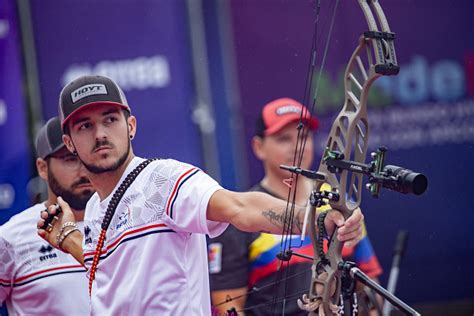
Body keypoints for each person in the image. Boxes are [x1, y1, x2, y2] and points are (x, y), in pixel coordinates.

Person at [36, 75, 364, 315]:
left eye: (110, 120)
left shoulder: (162, 178)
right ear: (68, 143)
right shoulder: (95, 208)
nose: (101, 134)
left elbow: (240, 207)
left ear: (131, 126)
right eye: (84, 127)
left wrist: (317, 219)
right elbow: (113, 278)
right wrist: (69, 238)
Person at [208, 98, 383, 315]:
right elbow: (227, 307)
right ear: (258, 147)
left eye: (304, 136)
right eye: (284, 139)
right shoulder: (241, 215)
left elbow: (368, 284)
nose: (297, 147)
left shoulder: (339, 202)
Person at [0, 116, 93, 315]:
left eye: (87, 156)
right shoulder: (11, 237)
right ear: (42, 168)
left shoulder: (128, 222)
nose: (83, 170)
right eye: (70, 159)